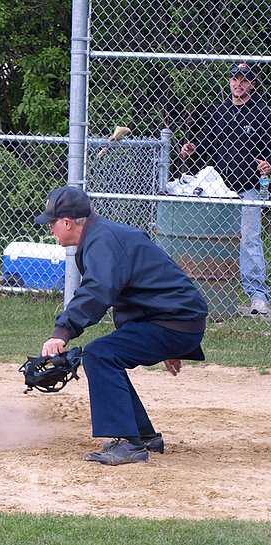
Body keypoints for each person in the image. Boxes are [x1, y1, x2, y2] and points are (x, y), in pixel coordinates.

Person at [35, 186, 208, 466]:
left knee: (99, 354)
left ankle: (129, 443)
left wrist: (62, 332)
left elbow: (96, 292)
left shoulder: (102, 241)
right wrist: (163, 343)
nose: (51, 230)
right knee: (108, 354)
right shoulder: (102, 235)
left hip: (173, 322)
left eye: (52, 223)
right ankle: (143, 435)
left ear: (66, 222)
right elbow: (138, 293)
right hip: (174, 320)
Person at [180, 62, 271, 315]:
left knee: (249, 240)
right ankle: (210, 294)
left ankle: (258, 297)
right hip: (219, 189)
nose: (238, 84)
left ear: (253, 84)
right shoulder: (220, 112)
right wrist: (191, 149)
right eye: (235, 79)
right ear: (230, 81)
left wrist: (268, 164)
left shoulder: (263, 114)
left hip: (249, 189)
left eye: (244, 80)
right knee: (210, 239)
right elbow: (205, 144)